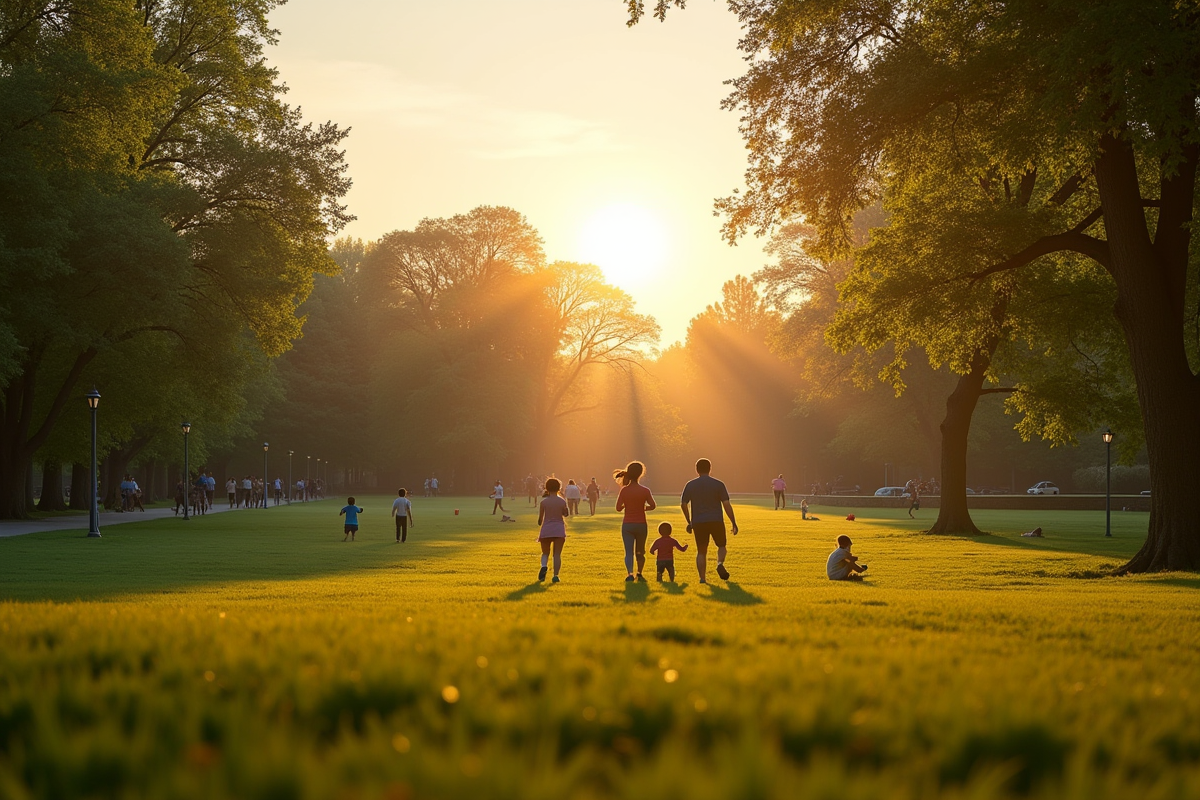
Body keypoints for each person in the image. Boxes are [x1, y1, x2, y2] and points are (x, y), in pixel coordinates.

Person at [680, 458, 739, 584]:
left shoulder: (690, 485)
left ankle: (702, 578)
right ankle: (719, 563)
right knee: (721, 545)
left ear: (697, 470)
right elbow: (726, 504)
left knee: (701, 551)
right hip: (716, 520)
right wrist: (733, 522)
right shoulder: (718, 484)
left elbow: (683, 504)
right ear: (710, 468)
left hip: (698, 522)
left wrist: (689, 521)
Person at [614, 460, 656, 582]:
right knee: (640, 551)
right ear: (640, 474)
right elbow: (653, 506)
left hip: (627, 524)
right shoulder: (645, 490)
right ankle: (640, 573)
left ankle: (629, 574)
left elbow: (618, 508)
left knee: (629, 551)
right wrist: (643, 508)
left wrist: (625, 506)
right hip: (641, 524)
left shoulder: (624, 490)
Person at [537, 477, 568, 583]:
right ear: (559, 488)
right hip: (559, 529)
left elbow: (540, 520)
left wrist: (541, 522)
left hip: (546, 529)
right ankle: (555, 575)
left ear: (547, 488)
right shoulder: (562, 501)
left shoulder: (544, 502)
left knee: (545, 552)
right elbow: (565, 514)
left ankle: (544, 565)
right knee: (557, 554)